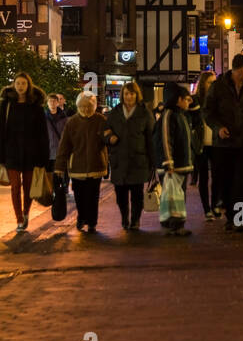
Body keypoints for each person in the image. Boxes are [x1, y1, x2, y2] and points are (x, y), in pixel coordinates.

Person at [204, 53, 243, 232]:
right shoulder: (218, 87)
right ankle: (230, 217)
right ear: (235, 69)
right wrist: (218, 128)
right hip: (223, 144)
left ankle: (240, 220)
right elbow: (208, 111)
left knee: (241, 183)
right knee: (225, 181)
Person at [0, 73, 51, 234]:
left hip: (31, 153)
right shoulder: (7, 105)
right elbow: (0, 130)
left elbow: (42, 133)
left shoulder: (36, 106)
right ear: (13, 85)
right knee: (15, 187)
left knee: (28, 187)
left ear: (28, 85)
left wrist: (43, 156)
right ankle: (19, 218)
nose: (20, 86)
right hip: (11, 152)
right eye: (18, 83)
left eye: (23, 83)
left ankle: (26, 212)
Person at [105, 81, 157, 231]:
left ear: (136, 95)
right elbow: (105, 130)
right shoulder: (115, 112)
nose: (129, 97)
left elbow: (151, 138)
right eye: (126, 93)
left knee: (136, 194)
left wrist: (153, 161)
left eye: (132, 93)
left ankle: (135, 220)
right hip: (119, 161)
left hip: (138, 160)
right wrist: (110, 138)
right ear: (122, 95)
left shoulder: (144, 113)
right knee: (120, 194)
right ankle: (124, 217)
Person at [55, 91, 109, 234]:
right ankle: (81, 217)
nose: (86, 109)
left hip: (96, 165)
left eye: (89, 106)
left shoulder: (101, 120)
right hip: (77, 167)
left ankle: (92, 222)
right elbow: (64, 145)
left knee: (93, 196)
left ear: (94, 106)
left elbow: (107, 140)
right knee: (79, 195)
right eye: (83, 106)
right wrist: (59, 166)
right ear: (78, 106)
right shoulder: (72, 122)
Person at [156, 82, 195, 236]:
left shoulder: (181, 115)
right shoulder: (170, 115)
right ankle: (174, 225)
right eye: (186, 99)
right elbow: (166, 139)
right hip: (173, 166)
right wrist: (168, 162)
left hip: (181, 165)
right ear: (178, 99)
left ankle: (176, 224)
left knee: (178, 195)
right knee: (173, 196)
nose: (189, 102)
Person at [188, 70, 219, 220]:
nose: (212, 85)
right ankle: (207, 209)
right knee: (203, 177)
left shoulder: (217, 100)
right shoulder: (195, 101)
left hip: (215, 143)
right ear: (203, 84)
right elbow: (190, 120)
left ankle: (215, 205)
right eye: (209, 82)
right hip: (201, 143)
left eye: (214, 82)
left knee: (217, 176)